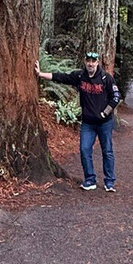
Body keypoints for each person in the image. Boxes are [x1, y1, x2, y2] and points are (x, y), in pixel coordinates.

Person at [36, 51, 121, 192]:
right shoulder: (80, 76)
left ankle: (109, 182)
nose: (91, 63)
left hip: (104, 123)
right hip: (88, 123)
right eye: (88, 61)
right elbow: (61, 77)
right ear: (85, 61)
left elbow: (116, 97)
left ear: (97, 62)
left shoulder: (106, 78)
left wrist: (104, 113)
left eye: (93, 61)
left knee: (107, 151)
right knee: (84, 149)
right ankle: (90, 179)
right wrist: (40, 74)